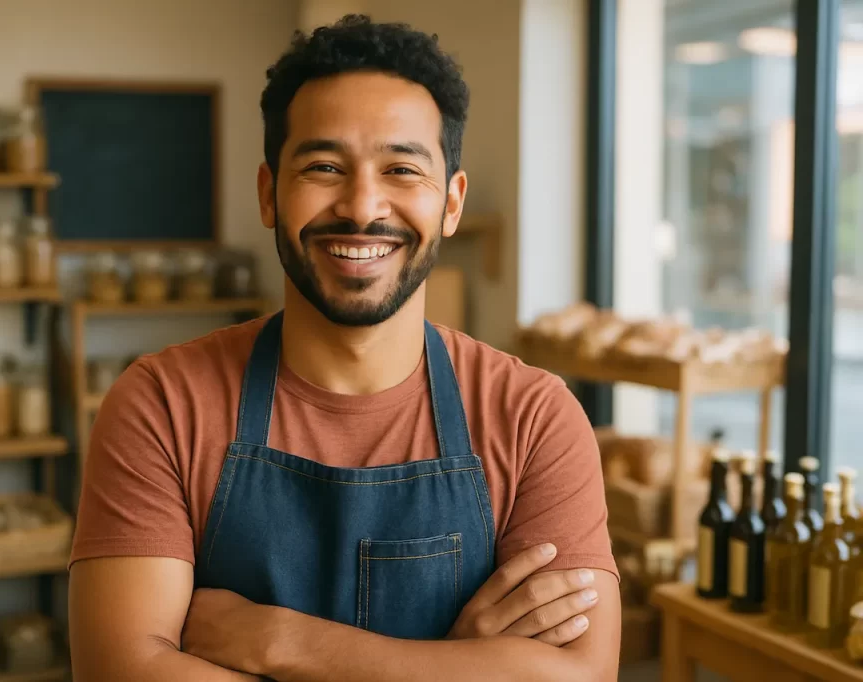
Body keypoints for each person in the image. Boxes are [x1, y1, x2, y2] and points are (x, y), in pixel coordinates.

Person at [68, 14, 620, 682]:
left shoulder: (534, 418)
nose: (362, 207)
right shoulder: (161, 404)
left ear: (451, 202)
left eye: (401, 169)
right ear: (271, 192)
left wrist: (282, 642)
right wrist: (456, 661)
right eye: (325, 167)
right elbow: (120, 672)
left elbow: (581, 678)